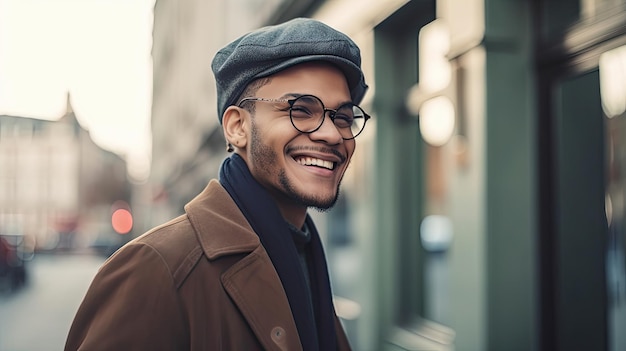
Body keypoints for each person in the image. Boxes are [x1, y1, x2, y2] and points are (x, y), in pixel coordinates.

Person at [65, 17, 369, 351]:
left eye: (342, 116)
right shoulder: (157, 268)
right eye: (301, 109)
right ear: (237, 127)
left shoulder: (305, 255)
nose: (331, 133)